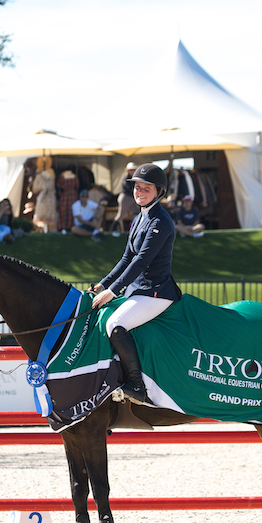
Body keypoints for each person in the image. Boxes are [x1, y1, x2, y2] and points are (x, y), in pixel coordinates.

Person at [89, 163, 179, 404]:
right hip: (138, 291)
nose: (139, 192)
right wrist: (102, 285)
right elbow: (126, 258)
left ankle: (137, 386)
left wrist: (112, 291)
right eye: (137, 187)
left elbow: (141, 261)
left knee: (115, 324)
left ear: (159, 191)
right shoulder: (140, 218)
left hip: (155, 292)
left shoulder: (160, 221)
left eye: (146, 188)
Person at [110, 162, 137, 235]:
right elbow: (129, 189)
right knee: (120, 216)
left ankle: (135, 231)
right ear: (128, 171)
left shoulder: (135, 179)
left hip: (132, 199)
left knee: (135, 214)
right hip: (126, 198)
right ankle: (112, 230)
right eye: (131, 170)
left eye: (133, 170)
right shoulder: (126, 179)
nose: (132, 171)